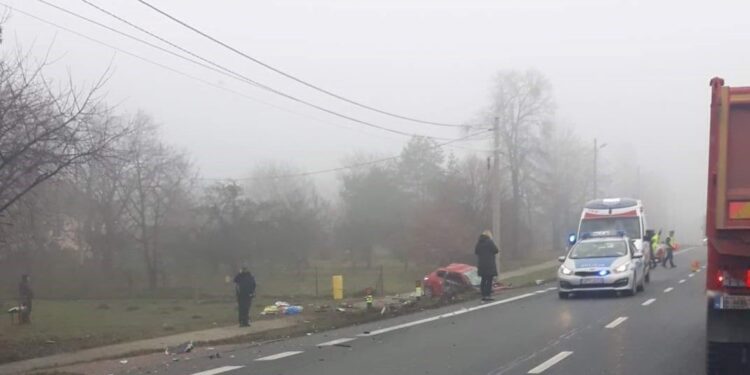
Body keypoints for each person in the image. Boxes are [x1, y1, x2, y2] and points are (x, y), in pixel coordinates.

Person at [474, 230, 499, 302]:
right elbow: (496, 250)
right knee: (489, 279)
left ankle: (483, 295)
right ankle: (488, 295)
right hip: (489, 264)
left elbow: (476, 251)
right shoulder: (489, 242)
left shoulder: (478, 243)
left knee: (483, 279)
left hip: (481, 264)